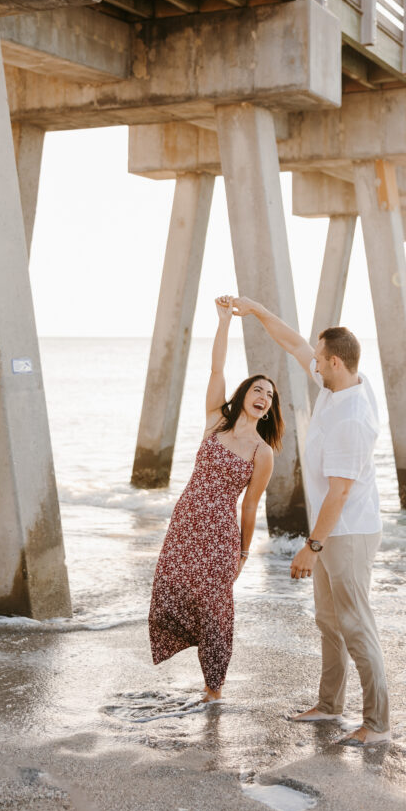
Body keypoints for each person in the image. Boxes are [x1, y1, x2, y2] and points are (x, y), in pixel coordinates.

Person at [231, 298, 390, 746]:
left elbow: (339, 492)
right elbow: (295, 343)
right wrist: (257, 310)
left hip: (348, 532)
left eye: (320, 360)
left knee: (356, 624)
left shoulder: (352, 418)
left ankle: (377, 726)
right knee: (328, 620)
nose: (312, 364)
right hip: (332, 528)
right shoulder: (338, 386)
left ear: (335, 362)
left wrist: (311, 546)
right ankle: (329, 706)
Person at [148, 295, 282, 702]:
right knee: (171, 590)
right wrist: (224, 321)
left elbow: (250, 506)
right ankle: (194, 668)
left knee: (217, 609)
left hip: (220, 535)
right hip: (185, 524)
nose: (264, 397)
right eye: (258, 390)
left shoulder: (263, 453)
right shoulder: (215, 421)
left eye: (270, 396)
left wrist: (243, 554)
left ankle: (214, 690)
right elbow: (217, 368)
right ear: (244, 395)